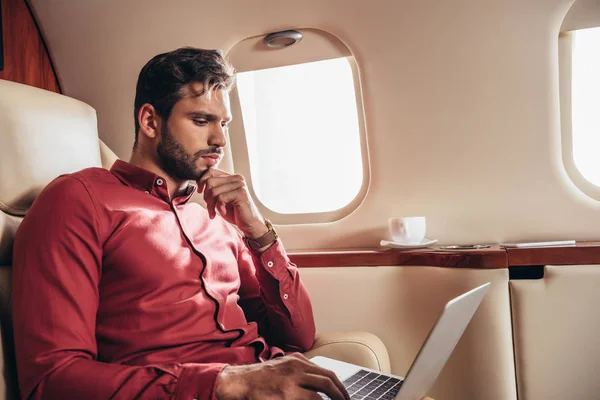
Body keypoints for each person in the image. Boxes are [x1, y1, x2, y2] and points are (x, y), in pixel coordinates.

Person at [12, 47, 433, 400]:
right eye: (201, 121)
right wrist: (225, 384)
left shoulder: (215, 218)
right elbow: (51, 379)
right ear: (150, 121)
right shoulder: (77, 201)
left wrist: (259, 234)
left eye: (223, 123)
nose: (220, 140)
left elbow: (299, 338)